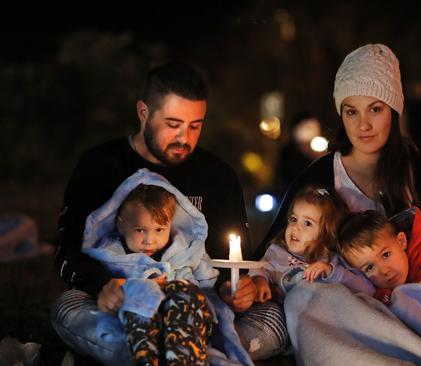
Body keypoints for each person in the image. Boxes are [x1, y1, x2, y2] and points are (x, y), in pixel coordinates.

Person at [51, 62, 287, 364]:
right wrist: (101, 285)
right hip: (123, 304)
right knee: (69, 307)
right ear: (143, 112)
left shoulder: (218, 176)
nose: (184, 138)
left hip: (198, 306)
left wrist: (237, 288)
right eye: (173, 124)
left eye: (195, 126)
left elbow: (230, 262)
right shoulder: (101, 166)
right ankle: (196, 354)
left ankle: (168, 352)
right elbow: (66, 250)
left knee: (275, 317)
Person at [258, 43, 421, 257]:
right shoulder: (321, 175)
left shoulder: (417, 167)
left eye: (375, 109)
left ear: (393, 111)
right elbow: (270, 250)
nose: (364, 125)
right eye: (352, 112)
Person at [82, 170, 220, 365]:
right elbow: (110, 294)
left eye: (159, 230)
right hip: (141, 322)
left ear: (171, 226)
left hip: (189, 319)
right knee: (141, 291)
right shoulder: (114, 258)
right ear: (121, 225)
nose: (149, 240)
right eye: (140, 230)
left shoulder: (186, 252)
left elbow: (208, 286)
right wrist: (137, 288)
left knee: (181, 289)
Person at [250, 185, 373, 303]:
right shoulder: (278, 252)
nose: (295, 228)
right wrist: (260, 281)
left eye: (307, 223)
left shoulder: (332, 261)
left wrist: (332, 272)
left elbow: (368, 290)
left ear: (327, 233)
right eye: (293, 219)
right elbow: (260, 269)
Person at [336, 208, 421, 305]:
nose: (384, 271)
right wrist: (384, 296)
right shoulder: (381, 282)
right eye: (370, 267)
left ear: (401, 241)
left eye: (386, 255)